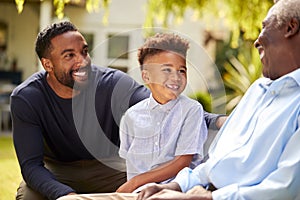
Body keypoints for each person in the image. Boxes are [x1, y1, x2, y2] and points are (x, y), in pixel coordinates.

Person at [58, 0, 300, 199]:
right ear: (145, 76)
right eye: (166, 70)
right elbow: (213, 163)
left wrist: (203, 196)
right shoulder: (259, 90)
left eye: (265, 26)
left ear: (290, 28)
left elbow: (286, 188)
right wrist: (173, 187)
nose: (256, 39)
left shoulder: (293, 102)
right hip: (183, 190)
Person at [11, 21, 223, 200]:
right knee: (28, 196)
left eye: (84, 51)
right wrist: (66, 195)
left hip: (110, 168)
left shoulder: (111, 83)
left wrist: (217, 120)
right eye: (69, 56)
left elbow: (163, 104)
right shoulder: (28, 98)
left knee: (148, 192)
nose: (82, 61)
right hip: (58, 171)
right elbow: (31, 166)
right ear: (47, 64)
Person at [116, 33, 208, 193]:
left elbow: (182, 162)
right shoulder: (131, 116)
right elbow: (129, 164)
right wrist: (132, 188)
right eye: (167, 70)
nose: (176, 77)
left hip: (174, 192)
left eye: (181, 71)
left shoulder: (191, 110)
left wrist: (136, 182)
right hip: (137, 195)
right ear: (146, 76)